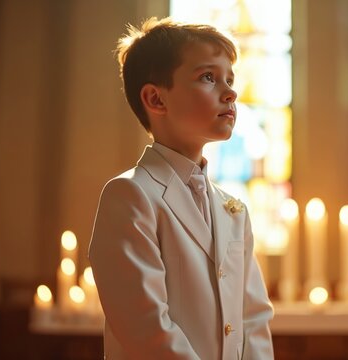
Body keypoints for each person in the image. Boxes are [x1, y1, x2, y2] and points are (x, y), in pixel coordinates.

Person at [89, 17, 274, 360]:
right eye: (208, 77)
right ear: (156, 99)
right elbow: (146, 329)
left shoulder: (232, 209)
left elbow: (253, 318)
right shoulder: (130, 196)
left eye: (230, 79)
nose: (231, 91)